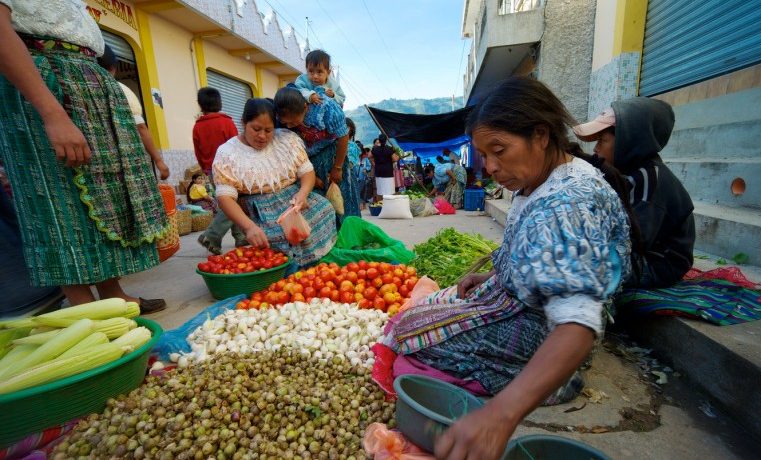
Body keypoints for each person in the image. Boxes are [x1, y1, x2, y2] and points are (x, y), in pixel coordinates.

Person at [383, 77, 635, 459]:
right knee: (414, 321)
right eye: (484, 154)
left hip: (550, 326)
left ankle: (557, 380)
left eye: (499, 150)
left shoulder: (567, 204)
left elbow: (577, 323)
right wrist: (493, 274)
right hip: (521, 300)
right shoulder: (538, 179)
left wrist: (501, 415)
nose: (492, 167)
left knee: (414, 341)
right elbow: (536, 254)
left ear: (541, 135)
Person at [0, 0, 167, 311]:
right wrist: (53, 113)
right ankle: (82, 305)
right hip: (45, 84)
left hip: (83, 80)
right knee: (55, 198)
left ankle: (113, 295)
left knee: (103, 199)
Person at [573, 97, 695, 288]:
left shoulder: (650, 182)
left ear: (627, 143)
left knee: (582, 269)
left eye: (603, 141)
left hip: (659, 264)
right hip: (640, 253)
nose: (596, 149)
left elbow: (632, 241)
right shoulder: (629, 171)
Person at [212, 98, 336, 268]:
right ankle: (291, 269)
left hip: (293, 199)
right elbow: (225, 198)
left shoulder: (286, 140)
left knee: (325, 210)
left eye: (268, 130)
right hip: (260, 209)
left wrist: (303, 193)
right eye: (256, 129)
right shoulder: (227, 153)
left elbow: (307, 172)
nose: (262, 136)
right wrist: (248, 228)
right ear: (243, 123)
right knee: (279, 235)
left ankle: (314, 264)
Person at [273, 87, 360, 223]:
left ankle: (349, 236)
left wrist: (337, 168)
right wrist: (310, 178)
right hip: (307, 164)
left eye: (293, 121)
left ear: (305, 107)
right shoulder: (281, 122)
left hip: (334, 158)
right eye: (285, 123)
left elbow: (343, 137)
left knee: (343, 201)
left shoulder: (327, 108)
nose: (289, 126)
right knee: (319, 206)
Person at [97, 44, 170, 180]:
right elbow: (141, 128)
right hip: (124, 161)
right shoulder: (121, 90)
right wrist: (158, 161)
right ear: (114, 68)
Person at [192, 87, 247, 254]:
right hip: (230, 171)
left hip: (211, 171)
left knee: (229, 202)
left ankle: (240, 237)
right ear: (219, 103)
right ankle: (212, 235)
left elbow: (198, 151)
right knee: (233, 204)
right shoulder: (227, 123)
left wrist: (205, 169)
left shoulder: (197, 127)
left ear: (201, 105)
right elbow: (238, 148)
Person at [371, 134, 396, 201]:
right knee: (389, 191)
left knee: (380, 191)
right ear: (386, 140)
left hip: (379, 172)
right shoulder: (389, 149)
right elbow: (395, 159)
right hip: (388, 172)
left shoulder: (375, 149)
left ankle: (381, 206)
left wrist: (374, 163)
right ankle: (389, 207)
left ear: (379, 140)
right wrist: (398, 156)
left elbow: (369, 156)